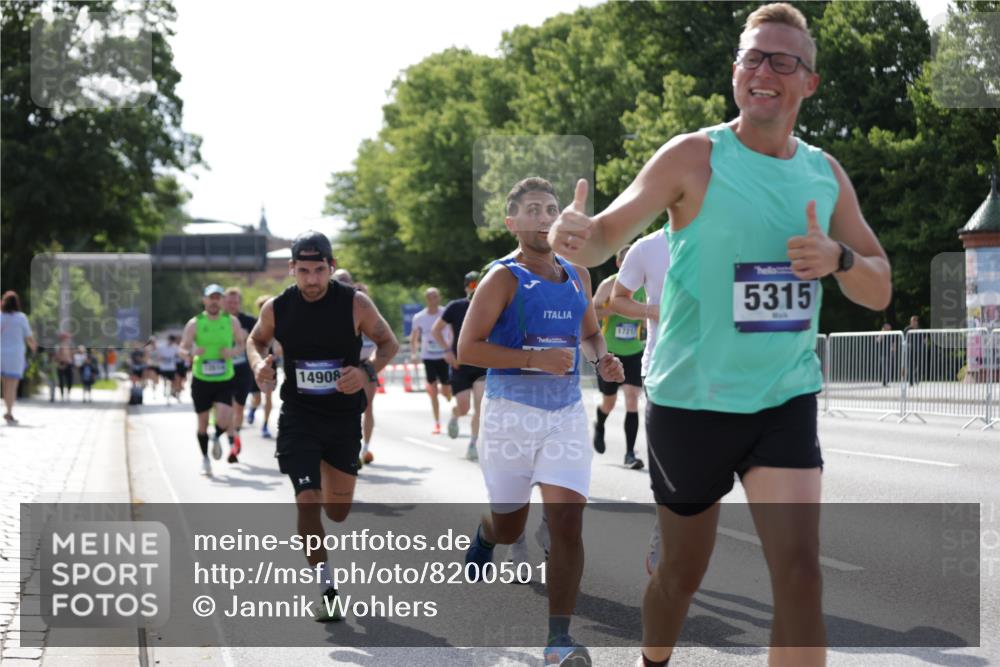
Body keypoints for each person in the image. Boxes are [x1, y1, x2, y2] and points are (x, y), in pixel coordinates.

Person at [547, 5, 892, 665]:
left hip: (783, 398)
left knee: (800, 575)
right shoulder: (694, 155)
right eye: (752, 58)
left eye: (782, 60)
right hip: (691, 403)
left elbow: (879, 284)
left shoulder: (825, 173)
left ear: (808, 83)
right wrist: (575, 234)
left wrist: (840, 260)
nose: (763, 71)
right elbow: (605, 238)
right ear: (736, 72)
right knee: (680, 576)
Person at [461, 177, 624, 666]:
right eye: (532, 209)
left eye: (550, 208)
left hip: (565, 415)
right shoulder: (503, 277)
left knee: (567, 522)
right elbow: (469, 349)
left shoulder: (579, 276)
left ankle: (558, 640)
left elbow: (591, 334)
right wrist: (532, 360)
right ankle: (488, 535)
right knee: (510, 528)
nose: (544, 216)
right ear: (512, 222)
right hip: (510, 414)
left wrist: (602, 359)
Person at [248, 231, 398, 622]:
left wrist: (365, 371)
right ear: (292, 270)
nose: (311, 279)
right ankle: (326, 587)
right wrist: (259, 364)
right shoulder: (280, 307)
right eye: (303, 271)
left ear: (331, 268)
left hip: (343, 418)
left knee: (338, 511)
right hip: (298, 416)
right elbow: (255, 341)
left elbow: (388, 345)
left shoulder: (355, 304)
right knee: (307, 501)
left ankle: (334, 488)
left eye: (318, 270)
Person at [610, 225, 671, 574]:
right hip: (664, 368)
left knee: (708, 467)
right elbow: (617, 299)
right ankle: (665, 528)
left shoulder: (731, 232)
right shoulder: (648, 248)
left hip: (721, 370)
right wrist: (654, 311)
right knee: (671, 462)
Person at [179, 284, 245, 476]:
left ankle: (216, 436)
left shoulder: (231, 321)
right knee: (202, 422)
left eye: (218, 297)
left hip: (225, 377)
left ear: (222, 300)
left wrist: (232, 352)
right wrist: (191, 352)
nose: (214, 301)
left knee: (225, 417)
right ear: (205, 300)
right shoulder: (194, 323)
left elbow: (242, 344)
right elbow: (182, 349)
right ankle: (205, 459)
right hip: (201, 379)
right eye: (211, 297)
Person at [592, 245, 646, 470]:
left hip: (634, 351)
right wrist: (618, 308)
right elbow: (593, 312)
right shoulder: (608, 284)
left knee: (632, 398)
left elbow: (648, 316)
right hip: (610, 352)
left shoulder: (645, 286)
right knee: (609, 402)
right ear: (618, 263)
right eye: (624, 261)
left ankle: (630, 453)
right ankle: (600, 422)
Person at [432, 271, 487, 460]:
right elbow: (436, 330)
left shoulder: (491, 306)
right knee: (464, 407)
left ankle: (473, 443)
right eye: (471, 285)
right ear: (466, 287)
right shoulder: (456, 307)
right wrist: (447, 351)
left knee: (480, 406)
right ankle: (455, 415)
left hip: (482, 365)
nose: (475, 288)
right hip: (460, 365)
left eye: (478, 285)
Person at [333, 269, 381, 465]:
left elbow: (385, 341)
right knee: (340, 409)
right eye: (339, 280)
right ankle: (341, 448)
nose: (344, 283)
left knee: (367, 407)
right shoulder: (332, 307)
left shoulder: (365, 307)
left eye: (346, 280)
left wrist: (372, 364)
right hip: (340, 367)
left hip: (364, 365)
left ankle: (365, 449)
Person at [410, 287, 453, 434]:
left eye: (436, 296)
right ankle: (437, 423)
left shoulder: (445, 313)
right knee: (433, 391)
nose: (433, 299)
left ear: (439, 298)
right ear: (426, 299)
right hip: (428, 357)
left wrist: (451, 348)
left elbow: (453, 330)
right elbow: (414, 337)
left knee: (446, 391)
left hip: (444, 356)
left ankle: (447, 391)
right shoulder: (419, 317)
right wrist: (413, 354)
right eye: (430, 297)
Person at [224, 286, 259, 457]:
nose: (232, 305)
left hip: (242, 369)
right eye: (229, 302)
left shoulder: (249, 321)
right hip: (222, 370)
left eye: (235, 302)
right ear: (224, 302)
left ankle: (235, 434)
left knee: (238, 408)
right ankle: (230, 435)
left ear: (239, 303)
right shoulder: (217, 320)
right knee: (227, 407)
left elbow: (260, 342)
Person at [0, 291, 38, 424]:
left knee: (5, 386)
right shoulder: (21, 317)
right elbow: (29, 337)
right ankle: (9, 412)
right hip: (15, 355)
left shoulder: (0, 317)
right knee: (12, 386)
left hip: (1, 354)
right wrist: (34, 347)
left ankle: (7, 411)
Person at [246, 295, 280, 438]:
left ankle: (265, 426)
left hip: (272, 364)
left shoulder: (279, 323)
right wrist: (256, 362)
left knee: (269, 395)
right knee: (257, 398)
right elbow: (251, 343)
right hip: (258, 365)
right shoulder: (256, 325)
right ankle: (253, 409)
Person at [904, 314, 924, 386]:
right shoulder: (907, 329)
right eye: (912, 321)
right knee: (910, 366)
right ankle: (911, 382)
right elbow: (904, 339)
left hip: (918, 350)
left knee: (918, 365)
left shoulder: (919, 329)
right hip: (910, 350)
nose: (914, 322)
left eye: (915, 321)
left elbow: (923, 339)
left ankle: (917, 379)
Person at [55, 333, 74, 401]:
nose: (67, 339)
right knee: (61, 381)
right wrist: (60, 364)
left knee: (70, 381)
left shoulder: (70, 346)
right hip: (61, 364)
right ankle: (62, 395)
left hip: (68, 364)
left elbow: (72, 356)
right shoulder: (58, 347)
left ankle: (68, 394)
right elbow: (56, 356)